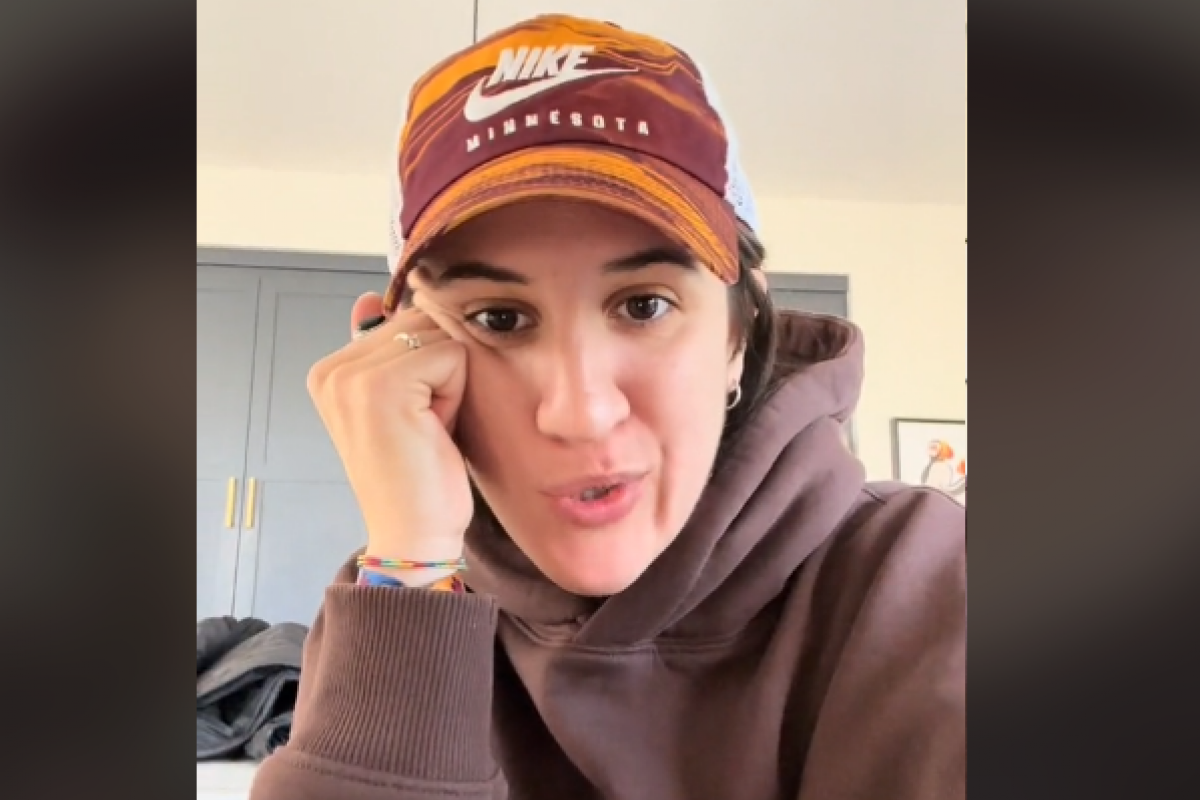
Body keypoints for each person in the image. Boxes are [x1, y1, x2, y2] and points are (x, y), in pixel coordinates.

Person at [251, 13, 965, 800]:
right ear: (398, 350)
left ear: (740, 333)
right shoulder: (395, 592)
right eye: (499, 319)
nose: (580, 412)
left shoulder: (929, 575)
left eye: (644, 305)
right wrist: (411, 577)